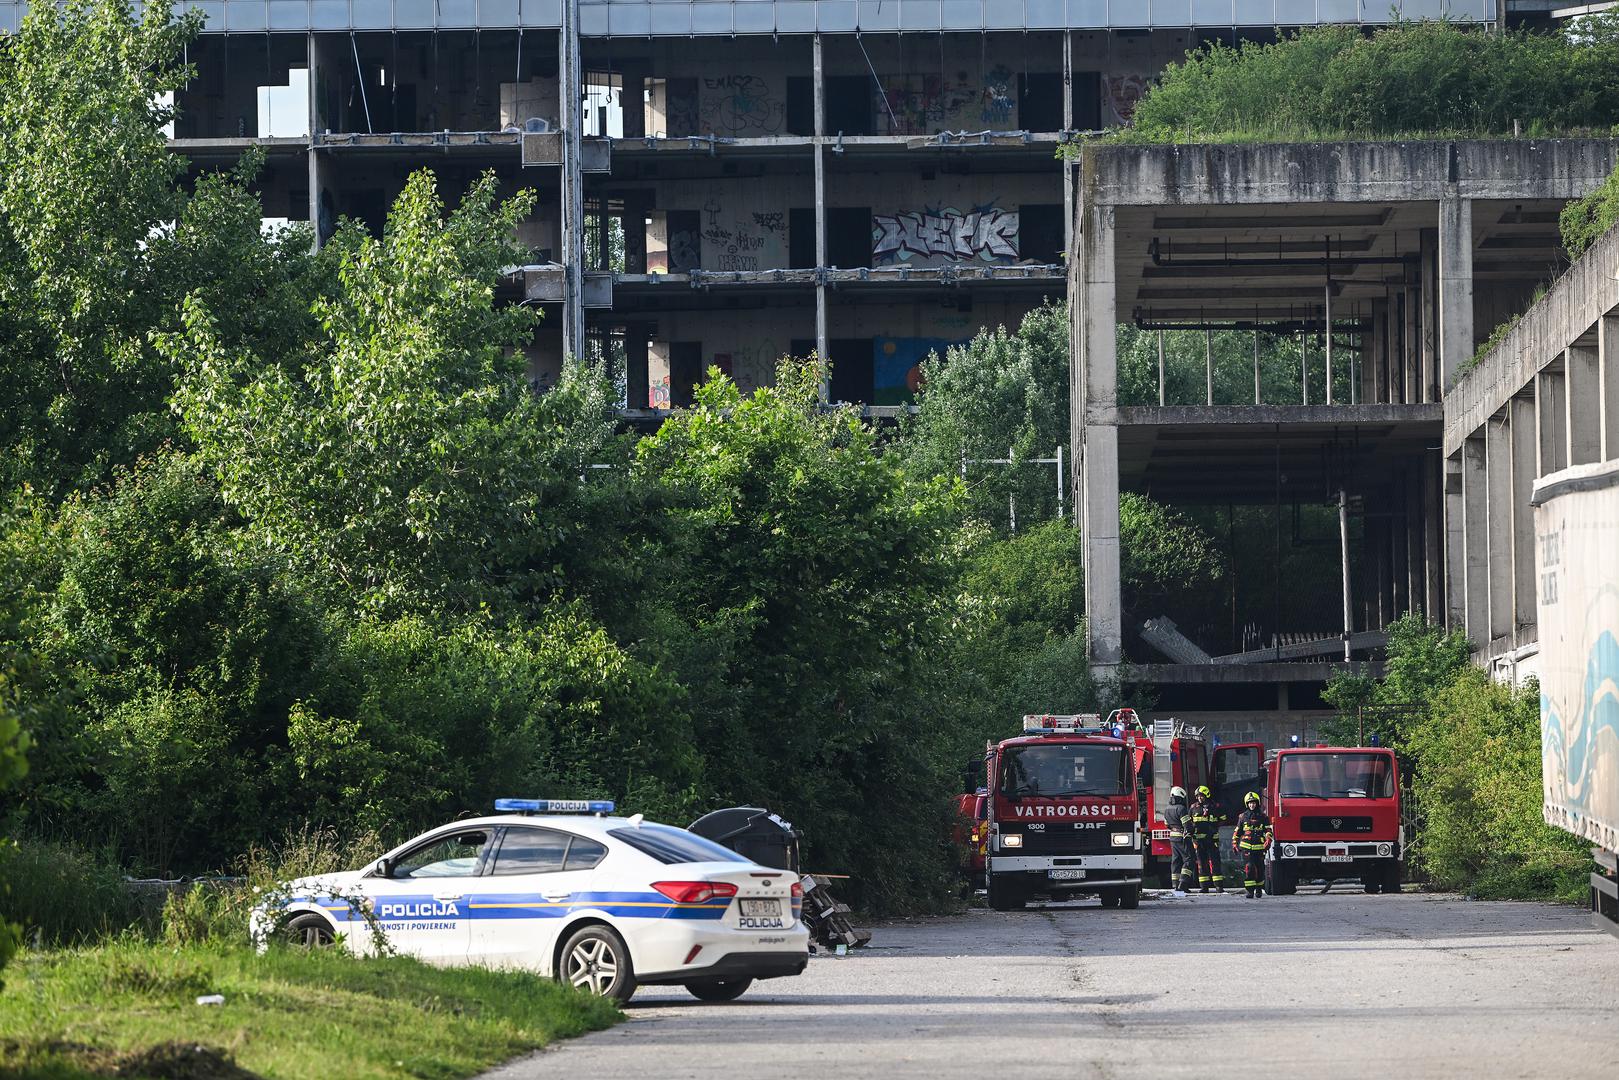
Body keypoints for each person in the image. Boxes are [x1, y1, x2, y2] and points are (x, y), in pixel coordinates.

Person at [1232, 791, 1273, 899]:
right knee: (1249, 868)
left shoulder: (1263, 816)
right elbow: (1237, 832)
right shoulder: (1242, 817)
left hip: (1259, 848)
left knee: (1260, 870)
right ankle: (1250, 891)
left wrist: (1268, 839)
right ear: (1247, 804)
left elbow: (1268, 830)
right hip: (1246, 848)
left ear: (1257, 803)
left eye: (1253, 803)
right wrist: (1235, 844)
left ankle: (1259, 888)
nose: (1252, 805)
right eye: (1250, 803)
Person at [1189, 784, 1225, 893]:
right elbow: (1189, 822)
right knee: (1201, 863)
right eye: (1198, 796)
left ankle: (1218, 886)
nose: (1200, 798)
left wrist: (1214, 828)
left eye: (1202, 796)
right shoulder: (1193, 808)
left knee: (1215, 863)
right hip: (1199, 841)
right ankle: (1204, 887)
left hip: (1212, 840)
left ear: (1206, 795)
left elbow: (1223, 819)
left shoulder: (1215, 807)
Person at [1162, 786, 1196, 893]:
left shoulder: (1167, 809)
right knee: (1189, 859)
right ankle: (1183, 883)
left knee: (1176, 860)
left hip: (1172, 837)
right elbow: (1188, 826)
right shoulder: (1181, 809)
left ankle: (1175, 884)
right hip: (1182, 837)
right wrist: (1193, 830)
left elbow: (1166, 824)